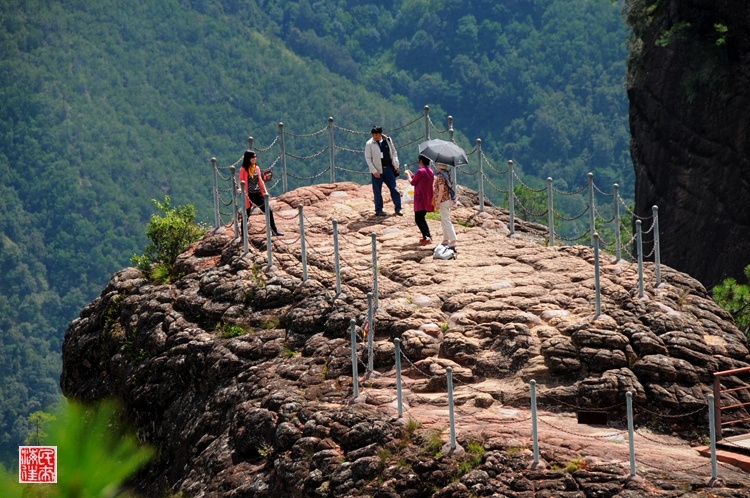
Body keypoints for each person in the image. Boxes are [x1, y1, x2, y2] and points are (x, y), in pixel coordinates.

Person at [239, 150, 283, 236]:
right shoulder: (243, 169)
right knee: (246, 214)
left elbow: (260, 180)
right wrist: (240, 189)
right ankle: (243, 234)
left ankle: (274, 231)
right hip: (248, 194)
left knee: (269, 211)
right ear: (248, 158)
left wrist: (265, 192)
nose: (254, 159)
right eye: (253, 157)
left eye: (255, 157)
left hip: (258, 193)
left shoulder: (257, 168)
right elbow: (241, 180)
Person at [364, 125, 402, 216]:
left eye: (377, 134)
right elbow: (368, 158)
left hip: (388, 168)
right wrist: (373, 171)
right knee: (377, 191)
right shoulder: (369, 144)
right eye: (373, 134)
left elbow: (393, 152)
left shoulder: (387, 140)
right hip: (377, 170)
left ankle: (398, 208)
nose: (375, 136)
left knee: (394, 189)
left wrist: (396, 165)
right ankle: (379, 210)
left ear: (381, 133)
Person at [404, 154, 434, 245]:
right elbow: (418, 180)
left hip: (420, 198)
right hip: (427, 197)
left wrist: (408, 175)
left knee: (418, 218)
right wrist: (413, 175)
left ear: (421, 161)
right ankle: (427, 235)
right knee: (422, 217)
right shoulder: (430, 171)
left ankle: (427, 237)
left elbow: (413, 182)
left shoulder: (420, 171)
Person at [433, 162, 457, 248]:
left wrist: (438, 202)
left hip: (443, 200)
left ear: (439, 167)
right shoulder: (446, 174)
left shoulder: (440, 176)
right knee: (444, 220)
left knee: (446, 221)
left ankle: (453, 240)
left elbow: (441, 190)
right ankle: (445, 239)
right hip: (448, 199)